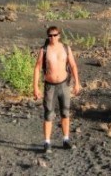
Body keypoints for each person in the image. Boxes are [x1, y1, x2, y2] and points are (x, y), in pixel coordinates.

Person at [33, 25, 81, 153]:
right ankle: (47, 143)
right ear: (48, 37)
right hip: (50, 86)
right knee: (49, 114)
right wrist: (35, 87)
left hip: (64, 84)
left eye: (55, 35)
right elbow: (37, 68)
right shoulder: (44, 50)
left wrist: (77, 83)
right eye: (50, 35)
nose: (52, 37)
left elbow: (73, 65)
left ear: (59, 35)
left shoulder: (66, 48)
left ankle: (66, 140)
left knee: (65, 112)